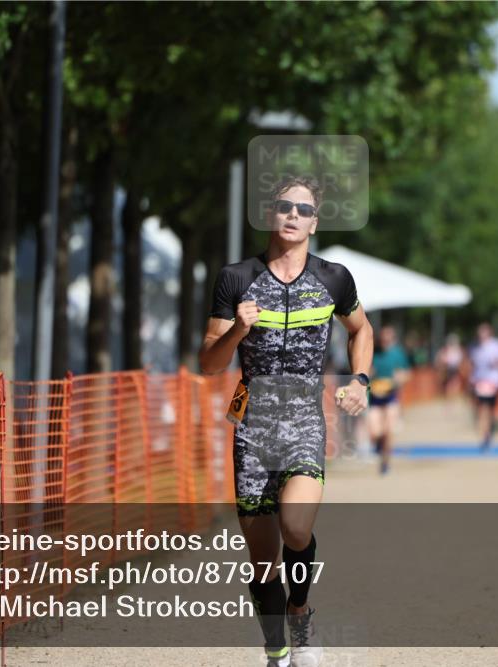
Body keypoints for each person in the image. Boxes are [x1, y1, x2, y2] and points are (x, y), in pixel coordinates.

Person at [199, 175, 373, 667]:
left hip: (303, 422)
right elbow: (209, 363)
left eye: (304, 209)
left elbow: (361, 329)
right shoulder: (236, 279)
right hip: (253, 427)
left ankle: (301, 615)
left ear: (314, 223)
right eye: (284, 206)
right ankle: (276, 648)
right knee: (262, 561)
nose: (293, 215)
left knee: (296, 528)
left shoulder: (334, 278)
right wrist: (238, 329)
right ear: (269, 214)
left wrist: (360, 380)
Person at [367, 325, 410, 475]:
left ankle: (385, 462)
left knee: (388, 431)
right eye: (383, 338)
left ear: (392, 338)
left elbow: (406, 373)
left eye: (388, 338)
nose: (385, 340)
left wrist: (400, 378)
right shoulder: (374, 353)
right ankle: (379, 446)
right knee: (375, 432)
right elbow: (366, 371)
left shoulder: (398, 353)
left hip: (391, 397)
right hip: (375, 397)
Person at [469, 322, 498, 451]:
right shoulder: (474, 347)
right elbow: (472, 364)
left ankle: (487, 433)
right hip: (480, 381)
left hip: (493, 382)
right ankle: (484, 436)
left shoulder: (497, 345)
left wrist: (497, 362)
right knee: (483, 408)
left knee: (490, 409)